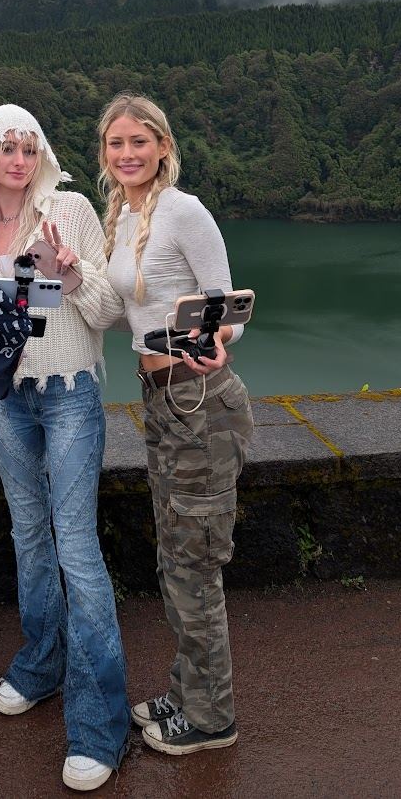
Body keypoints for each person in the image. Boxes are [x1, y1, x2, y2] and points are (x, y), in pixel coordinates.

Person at [0, 104, 130, 794]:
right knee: (28, 534)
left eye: (28, 147)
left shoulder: (71, 209)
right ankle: (42, 660)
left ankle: (98, 724)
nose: (18, 160)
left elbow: (108, 310)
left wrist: (71, 268)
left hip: (69, 393)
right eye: (5, 148)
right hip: (7, 402)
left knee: (74, 546)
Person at [97, 93, 253, 756]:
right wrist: (59, 273)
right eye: (115, 144)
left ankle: (212, 719)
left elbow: (230, 310)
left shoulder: (183, 212)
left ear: (162, 145)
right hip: (160, 400)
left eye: (139, 141)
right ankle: (188, 690)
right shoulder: (123, 215)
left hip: (199, 400)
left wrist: (219, 336)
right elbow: (115, 315)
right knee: (174, 558)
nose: (126, 154)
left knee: (192, 565)